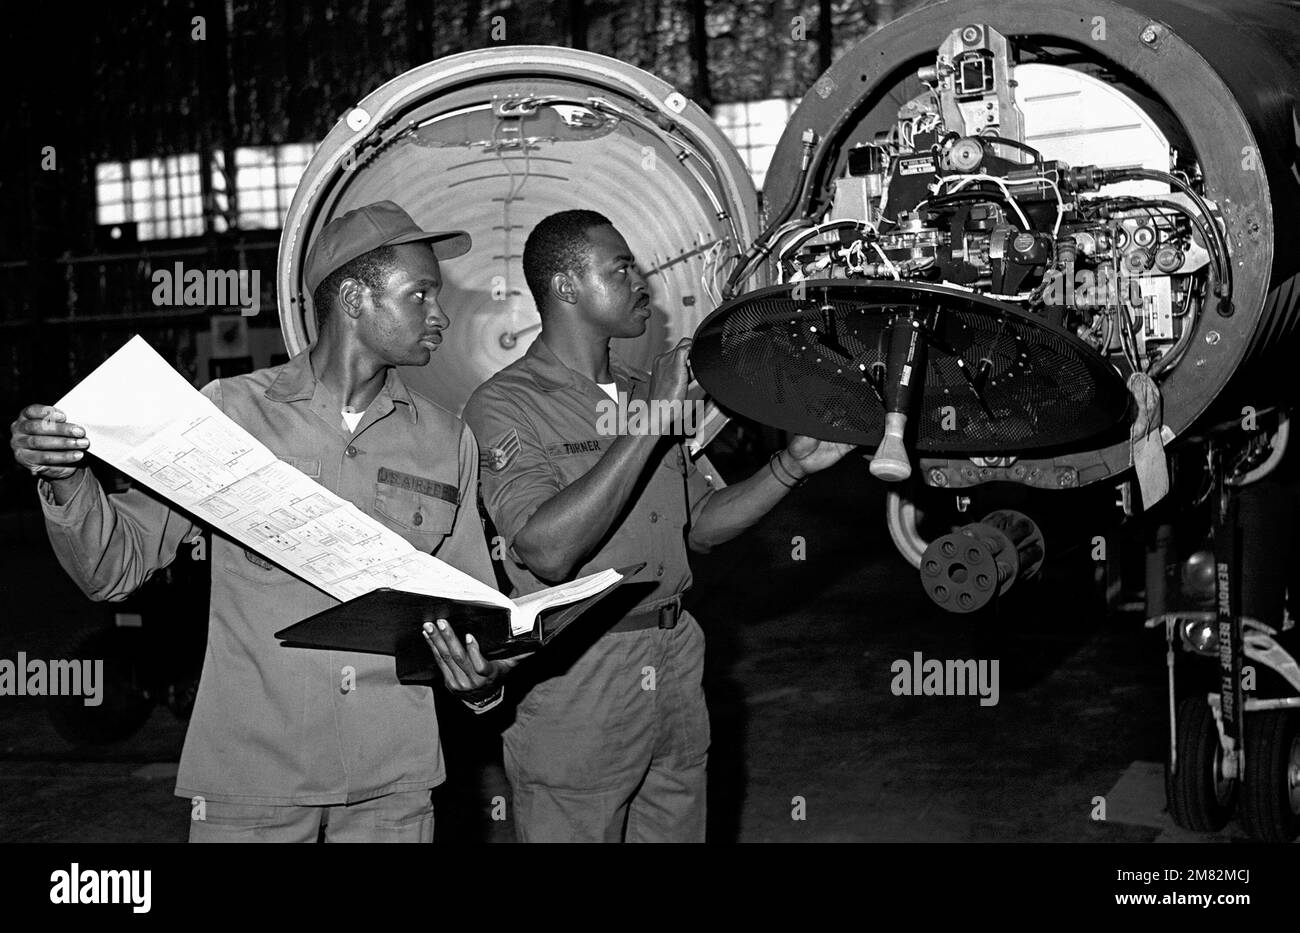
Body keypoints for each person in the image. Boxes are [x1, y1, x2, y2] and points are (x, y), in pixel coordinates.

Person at [9, 200, 519, 842]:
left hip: (393, 788)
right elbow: (113, 568)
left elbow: (478, 613)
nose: (440, 315)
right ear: (355, 298)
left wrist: (482, 684)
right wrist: (64, 476)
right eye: (420, 295)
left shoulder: (449, 440)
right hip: (253, 786)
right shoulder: (228, 416)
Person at [461, 209, 853, 842]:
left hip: (673, 655)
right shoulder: (506, 403)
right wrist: (655, 419)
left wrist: (789, 467)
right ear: (565, 287)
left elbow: (698, 526)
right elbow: (545, 550)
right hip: (579, 670)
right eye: (619, 269)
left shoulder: (648, 390)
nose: (640, 282)